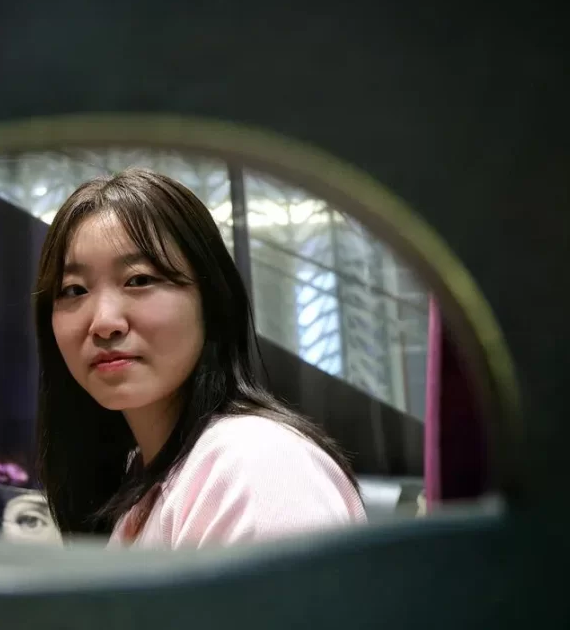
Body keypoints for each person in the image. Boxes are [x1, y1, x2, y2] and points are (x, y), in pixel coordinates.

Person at [33, 167, 366, 549]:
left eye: (139, 280)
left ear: (212, 302)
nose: (104, 323)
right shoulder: (140, 477)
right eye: (74, 290)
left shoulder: (255, 465)